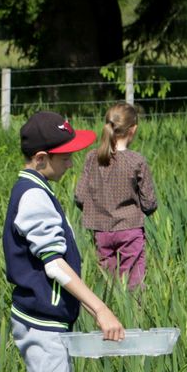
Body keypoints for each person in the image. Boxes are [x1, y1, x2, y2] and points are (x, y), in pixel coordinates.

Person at [4, 111, 126, 372]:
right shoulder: (33, 197)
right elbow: (53, 264)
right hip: (41, 321)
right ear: (41, 159)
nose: (72, 161)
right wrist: (100, 308)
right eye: (65, 155)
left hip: (50, 319)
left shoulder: (38, 190)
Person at [75, 102, 158, 289]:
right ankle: (133, 316)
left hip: (101, 232)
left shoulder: (91, 158)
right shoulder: (136, 161)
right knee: (133, 284)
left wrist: (98, 210)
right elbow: (149, 203)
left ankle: (109, 313)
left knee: (108, 285)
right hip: (130, 229)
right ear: (133, 129)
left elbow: (79, 197)